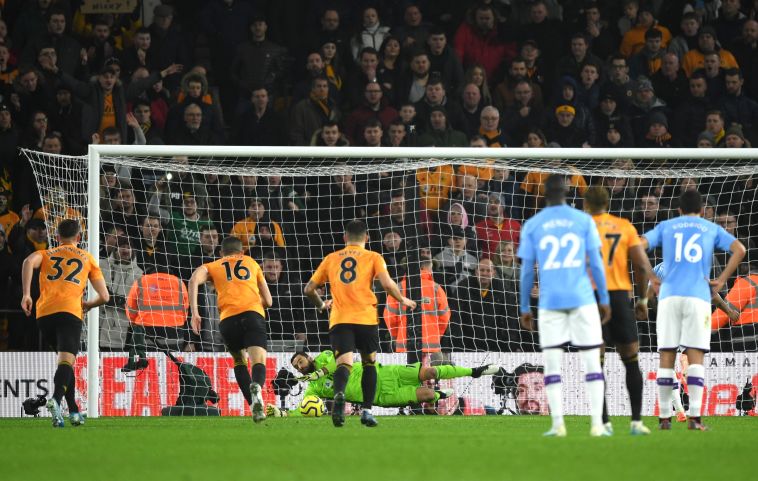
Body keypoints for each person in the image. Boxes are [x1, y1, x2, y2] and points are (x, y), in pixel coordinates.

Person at [642, 189, 746, 431]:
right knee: (695, 357)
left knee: (667, 357)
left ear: (678, 210)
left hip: (669, 301)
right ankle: (695, 418)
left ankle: (665, 418)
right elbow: (740, 250)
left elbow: (638, 246)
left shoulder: (667, 229)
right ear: (702, 211)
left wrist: (645, 292)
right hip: (696, 300)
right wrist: (722, 279)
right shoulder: (708, 229)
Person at [517, 175, 611, 437]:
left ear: (544, 194)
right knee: (592, 361)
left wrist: (525, 306)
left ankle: (558, 424)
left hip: (550, 303)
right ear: (568, 192)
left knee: (552, 363)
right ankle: (596, 425)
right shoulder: (583, 221)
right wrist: (603, 298)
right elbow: (596, 263)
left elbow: (526, 271)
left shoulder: (534, 224)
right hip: (582, 300)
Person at [303, 220, 416, 427]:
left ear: (345, 237)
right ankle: (366, 411)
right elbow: (387, 284)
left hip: (340, 319)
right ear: (367, 238)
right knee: (368, 364)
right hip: (366, 318)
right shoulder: (374, 257)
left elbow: (309, 289)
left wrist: (321, 305)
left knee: (343, 364)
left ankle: (339, 394)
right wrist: (403, 300)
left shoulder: (331, 258)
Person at [21, 219, 109, 427]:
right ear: (78, 238)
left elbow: (27, 262)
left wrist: (26, 294)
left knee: (65, 362)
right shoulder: (87, 258)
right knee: (66, 363)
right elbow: (105, 297)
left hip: (44, 315)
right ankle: (56, 401)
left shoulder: (46, 254)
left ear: (57, 237)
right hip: (70, 312)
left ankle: (75, 412)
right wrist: (87, 304)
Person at [584, 186, 656, 435]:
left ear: (586, 204)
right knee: (631, 360)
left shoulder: (580, 226)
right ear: (607, 203)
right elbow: (643, 265)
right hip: (618, 295)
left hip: (589, 297)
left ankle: (602, 424)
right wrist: (642, 300)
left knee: (596, 361)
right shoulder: (624, 225)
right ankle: (636, 422)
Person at [189, 236, 273, 423]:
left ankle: (254, 407)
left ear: (221, 253)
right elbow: (268, 301)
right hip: (252, 315)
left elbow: (194, 279)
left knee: (239, 361)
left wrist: (195, 313)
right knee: (258, 360)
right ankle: (257, 389)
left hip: (228, 319)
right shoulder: (252, 263)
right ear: (242, 252)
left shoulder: (213, 265)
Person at [265, 350, 496, 415]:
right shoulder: (315, 387)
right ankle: (440, 395)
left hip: (385, 373)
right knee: (426, 396)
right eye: (296, 366)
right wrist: (283, 413)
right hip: (379, 397)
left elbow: (340, 363)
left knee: (429, 371)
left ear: (308, 357)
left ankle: (474, 371)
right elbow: (306, 407)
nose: (300, 366)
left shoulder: (326, 356)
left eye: (300, 361)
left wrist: (316, 373)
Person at [383, 255, 450, 361]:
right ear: (423, 268)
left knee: (407, 376)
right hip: (431, 347)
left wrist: (398, 336)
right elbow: (444, 318)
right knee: (428, 376)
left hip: (404, 346)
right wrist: (436, 335)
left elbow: (390, 317)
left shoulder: (398, 288)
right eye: (431, 269)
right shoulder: (436, 288)